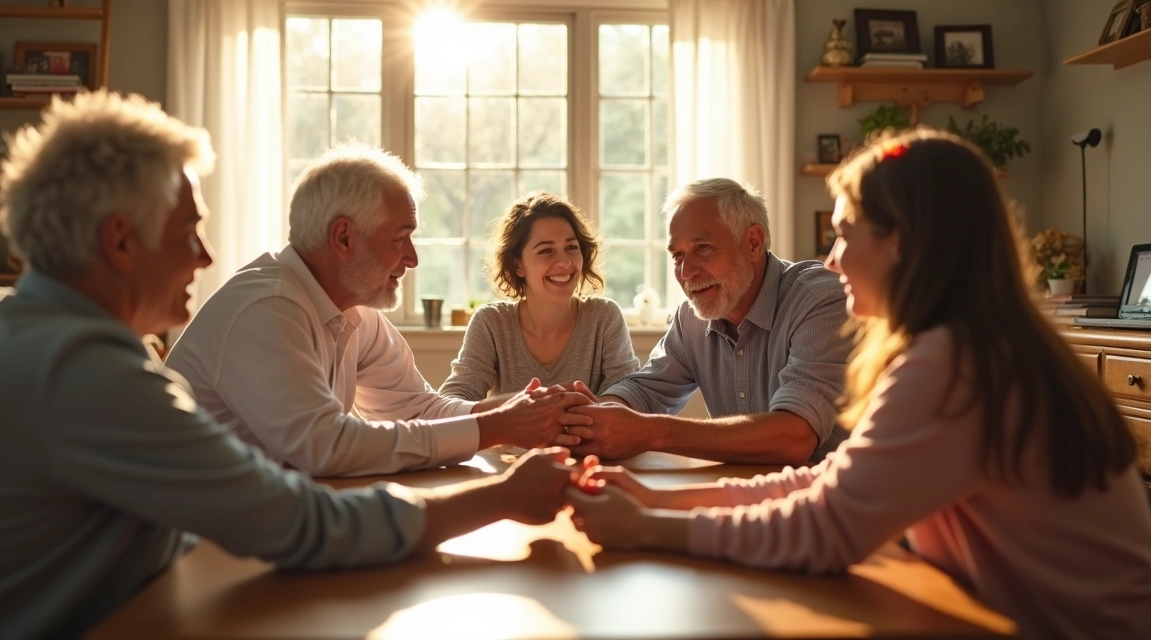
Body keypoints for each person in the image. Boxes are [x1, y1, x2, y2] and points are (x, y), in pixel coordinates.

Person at [0, 91, 579, 638]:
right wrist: (501, 496)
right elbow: (300, 522)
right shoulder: (85, 372)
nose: (206, 257)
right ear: (121, 240)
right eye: (189, 230)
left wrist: (499, 417)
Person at [567, 130, 1151, 638]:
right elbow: (827, 483)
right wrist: (656, 498)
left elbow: (826, 528)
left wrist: (650, 527)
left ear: (903, 241)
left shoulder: (952, 362)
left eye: (846, 233)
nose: (833, 259)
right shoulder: (971, 343)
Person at [166, 144, 590, 478]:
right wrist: (499, 427)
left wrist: (516, 411)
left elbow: (419, 408)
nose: (412, 258)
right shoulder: (267, 309)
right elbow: (327, 447)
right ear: (344, 237)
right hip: (197, 546)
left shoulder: (355, 313)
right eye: (399, 238)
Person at [568, 178, 852, 464]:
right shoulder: (690, 317)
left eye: (702, 248)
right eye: (677, 255)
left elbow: (794, 437)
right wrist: (592, 416)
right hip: (745, 495)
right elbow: (645, 390)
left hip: (839, 503)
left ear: (753, 243)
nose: (686, 272)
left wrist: (649, 431)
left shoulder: (821, 300)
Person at [439, 192, 637, 403]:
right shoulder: (492, 323)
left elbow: (629, 394)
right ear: (518, 265)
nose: (565, 262)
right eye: (546, 251)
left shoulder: (604, 317)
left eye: (571, 247)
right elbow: (454, 397)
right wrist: (520, 409)